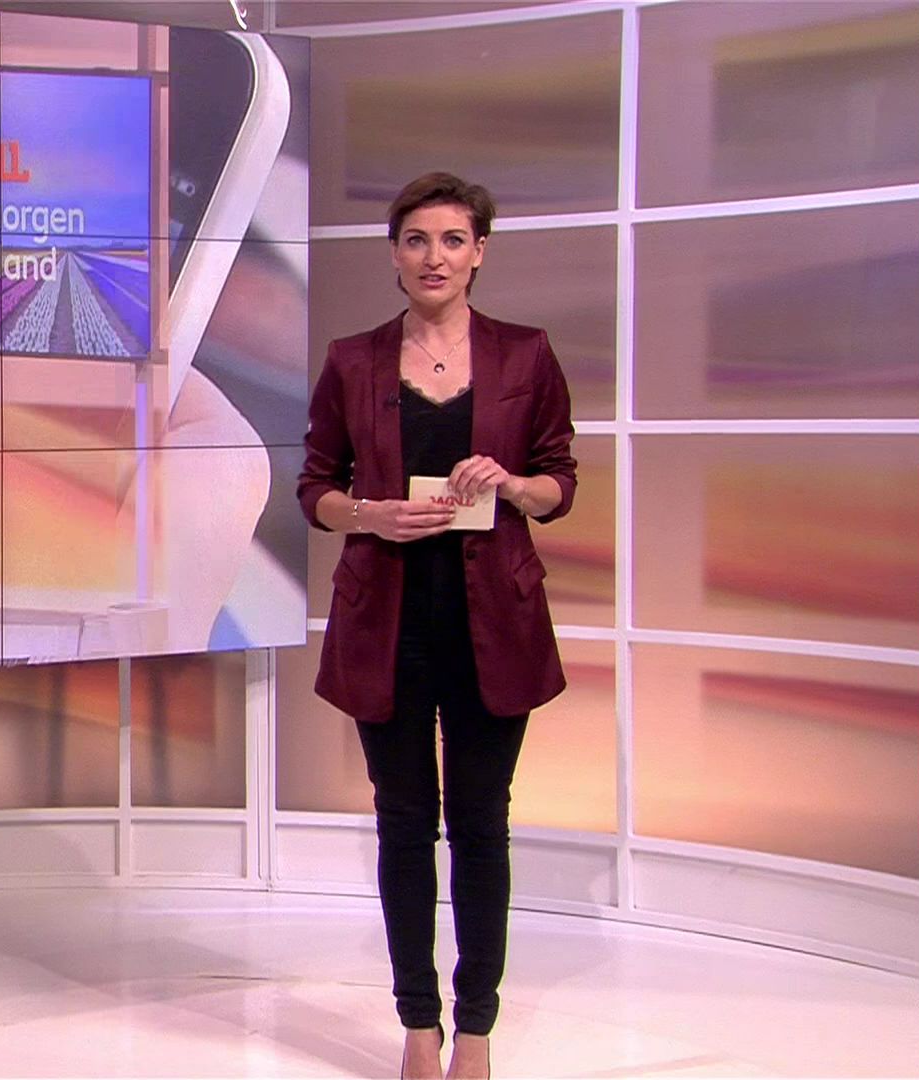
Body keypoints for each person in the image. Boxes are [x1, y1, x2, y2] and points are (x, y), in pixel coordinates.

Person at [296, 172, 577, 1080]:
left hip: (494, 623)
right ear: (394, 253)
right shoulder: (354, 359)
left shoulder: (526, 354)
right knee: (404, 823)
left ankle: (478, 1031)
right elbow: (315, 487)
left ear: (480, 252)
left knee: (482, 826)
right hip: (387, 623)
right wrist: (368, 515)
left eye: (453, 240)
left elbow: (560, 482)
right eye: (416, 240)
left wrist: (515, 485)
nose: (434, 257)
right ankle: (418, 1025)